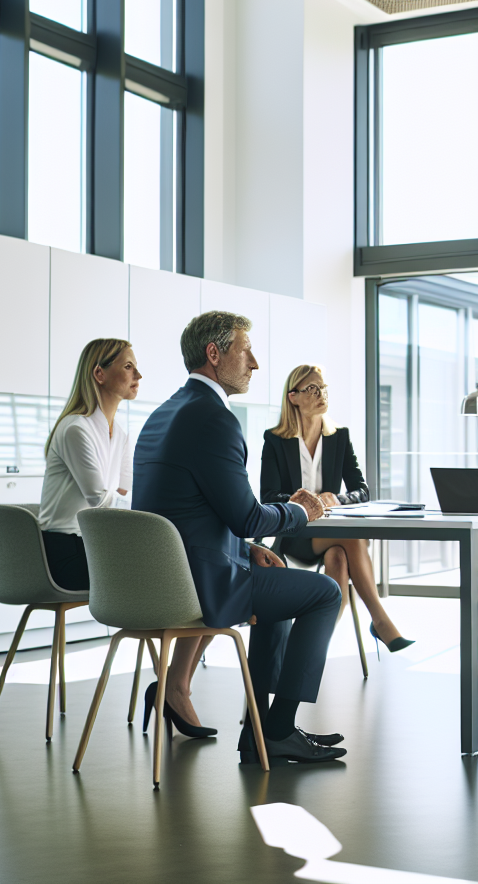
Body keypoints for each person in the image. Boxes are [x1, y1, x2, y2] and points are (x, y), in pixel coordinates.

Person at [132, 310, 348, 764]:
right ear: (215, 354)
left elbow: (187, 512)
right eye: (245, 350)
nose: (253, 363)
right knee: (325, 592)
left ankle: (261, 732)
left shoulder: (164, 412)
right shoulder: (212, 418)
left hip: (162, 578)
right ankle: (279, 728)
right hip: (199, 583)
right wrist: (301, 511)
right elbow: (248, 516)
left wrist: (248, 550)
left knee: (280, 577)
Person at [260, 364, 414, 652]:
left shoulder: (338, 437)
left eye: (323, 388)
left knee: (339, 558)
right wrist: (301, 501)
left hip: (331, 532)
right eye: (312, 389)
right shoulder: (276, 441)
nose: (321, 394)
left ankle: (311, 647)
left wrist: (337, 499)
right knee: (351, 537)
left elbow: (362, 490)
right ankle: (379, 621)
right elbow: (268, 496)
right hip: (296, 535)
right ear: (293, 397)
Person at [37, 338, 140, 591]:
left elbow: (124, 493)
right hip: (64, 550)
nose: (138, 374)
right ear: (99, 373)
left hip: (96, 542)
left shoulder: (121, 433)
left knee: (169, 569)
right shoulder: (76, 428)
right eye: (128, 366)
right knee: (155, 574)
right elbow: (98, 499)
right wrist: (147, 510)